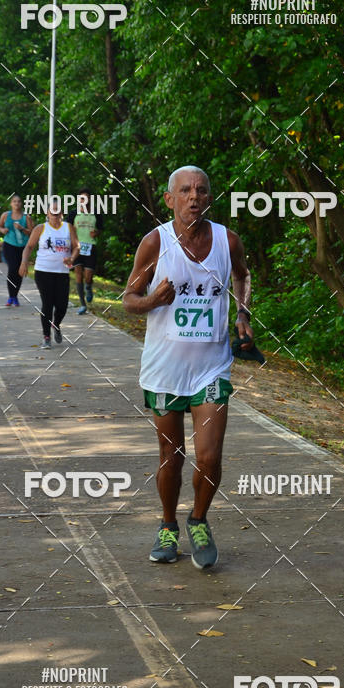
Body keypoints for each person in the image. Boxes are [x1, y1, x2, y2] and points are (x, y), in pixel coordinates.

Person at [122, 165, 254, 570]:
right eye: (185, 191)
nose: (193, 196)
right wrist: (153, 301)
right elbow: (129, 298)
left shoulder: (227, 241)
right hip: (164, 370)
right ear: (170, 199)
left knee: (210, 457)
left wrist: (242, 314)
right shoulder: (155, 243)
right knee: (172, 456)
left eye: (200, 190)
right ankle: (167, 525)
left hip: (211, 369)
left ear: (209, 198)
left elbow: (243, 277)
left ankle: (198, 519)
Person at [19, 199, 80, 348]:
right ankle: (46, 337)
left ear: (62, 214)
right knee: (47, 304)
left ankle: (56, 324)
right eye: (52, 212)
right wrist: (24, 262)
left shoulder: (68, 227)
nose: (55, 216)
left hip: (62, 272)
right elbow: (29, 247)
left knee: (62, 305)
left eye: (58, 213)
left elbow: (77, 246)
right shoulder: (40, 228)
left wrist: (72, 258)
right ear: (47, 213)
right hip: (43, 271)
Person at [67, 188, 103, 314]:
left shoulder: (96, 213)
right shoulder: (73, 213)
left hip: (90, 247)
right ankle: (82, 304)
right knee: (78, 274)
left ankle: (88, 286)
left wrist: (96, 233)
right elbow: (67, 228)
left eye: (86, 198)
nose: (84, 200)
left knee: (88, 277)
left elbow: (100, 229)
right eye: (82, 198)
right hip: (76, 247)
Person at [0, 195, 34, 305]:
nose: (16, 203)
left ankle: (15, 296)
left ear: (21, 203)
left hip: (22, 247)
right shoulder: (5, 215)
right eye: (14, 201)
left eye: (18, 201)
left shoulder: (26, 217)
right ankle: (11, 296)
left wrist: (22, 228)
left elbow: (32, 233)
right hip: (9, 245)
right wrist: (3, 230)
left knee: (19, 271)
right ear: (11, 204)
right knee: (12, 269)